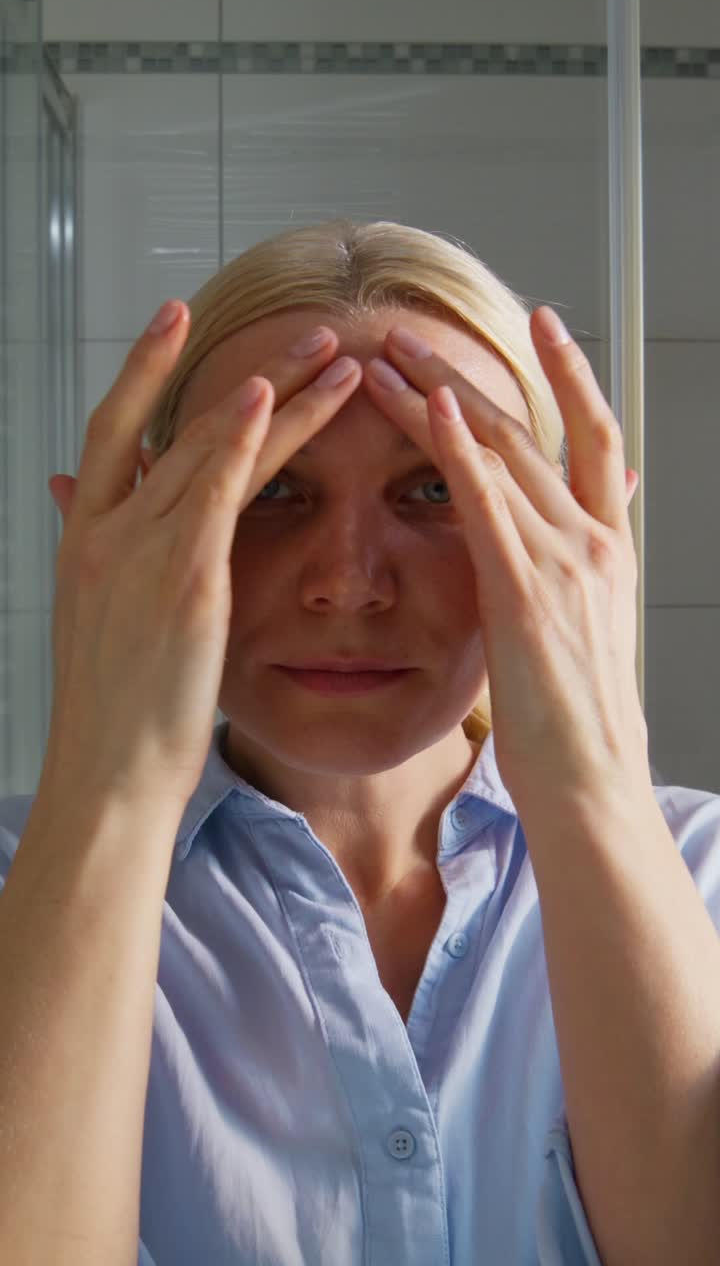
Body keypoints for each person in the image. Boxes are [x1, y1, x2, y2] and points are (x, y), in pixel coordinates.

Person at [0, 219, 717, 1265]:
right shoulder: (26, 883)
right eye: (273, 486)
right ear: (142, 523)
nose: (347, 581)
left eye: (434, 488)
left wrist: (594, 781)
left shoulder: (701, 877)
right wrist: (107, 776)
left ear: (566, 542)